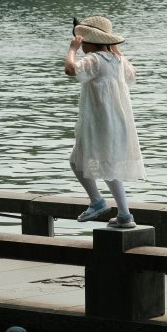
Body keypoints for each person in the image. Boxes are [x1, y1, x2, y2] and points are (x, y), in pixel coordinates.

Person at [64, 15, 145, 228]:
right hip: (118, 122)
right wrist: (116, 49)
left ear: (89, 41)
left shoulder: (95, 59)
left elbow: (70, 69)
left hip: (98, 121)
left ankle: (97, 201)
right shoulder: (118, 60)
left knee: (76, 160)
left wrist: (72, 49)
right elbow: (132, 74)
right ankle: (125, 215)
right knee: (108, 164)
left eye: (83, 42)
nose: (81, 45)